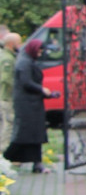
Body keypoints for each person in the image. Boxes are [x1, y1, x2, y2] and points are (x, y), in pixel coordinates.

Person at [3, 39, 58, 173]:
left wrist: (46, 94)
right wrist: (41, 90)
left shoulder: (28, 61)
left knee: (35, 135)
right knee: (24, 134)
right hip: (26, 105)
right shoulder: (24, 62)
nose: (40, 53)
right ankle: (7, 158)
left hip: (33, 103)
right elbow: (26, 82)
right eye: (39, 51)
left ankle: (37, 163)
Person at [0, 33, 20, 150]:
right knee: (8, 123)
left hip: (3, 95)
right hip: (6, 96)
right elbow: (6, 78)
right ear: (11, 44)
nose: (20, 45)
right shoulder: (8, 58)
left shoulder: (4, 55)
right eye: (18, 43)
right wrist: (17, 87)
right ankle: (4, 150)